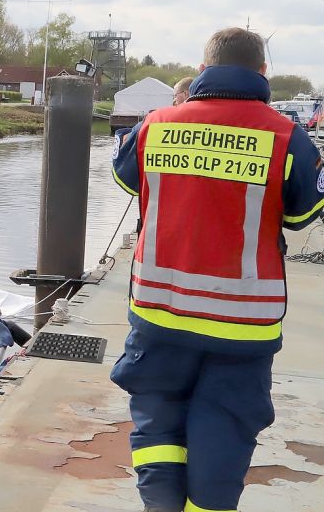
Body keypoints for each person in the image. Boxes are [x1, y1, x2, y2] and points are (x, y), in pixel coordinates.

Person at [111, 27, 324, 512]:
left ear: (203, 69)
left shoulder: (156, 125)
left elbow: (127, 182)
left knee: (158, 424)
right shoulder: (287, 137)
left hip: (159, 314)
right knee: (225, 424)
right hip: (242, 324)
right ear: (263, 74)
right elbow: (302, 216)